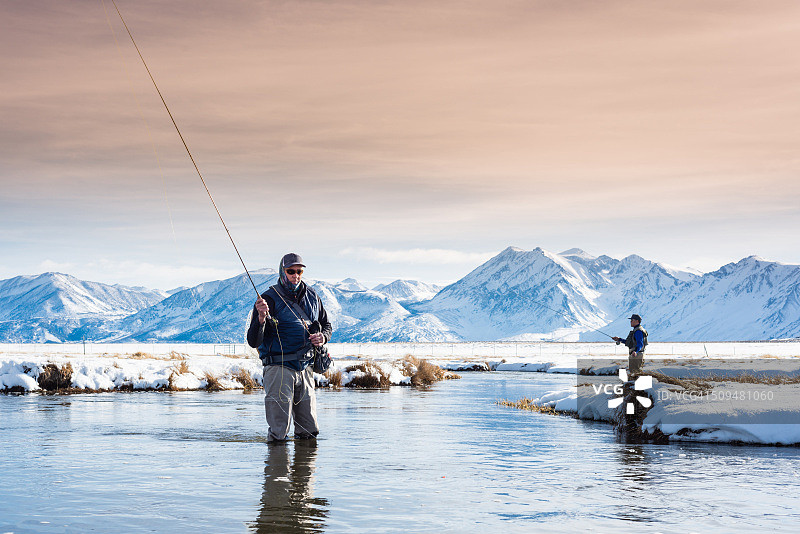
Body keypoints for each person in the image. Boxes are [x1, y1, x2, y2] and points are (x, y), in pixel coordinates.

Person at [247, 253, 332, 442]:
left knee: (309, 432)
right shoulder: (268, 299)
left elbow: (327, 326)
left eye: (299, 271)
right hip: (279, 368)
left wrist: (323, 337)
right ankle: (277, 468)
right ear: (282, 271)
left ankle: (305, 470)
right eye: (291, 271)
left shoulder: (313, 296)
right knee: (279, 433)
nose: (296, 275)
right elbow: (254, 341)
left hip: (306, 368)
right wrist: (261, 318)